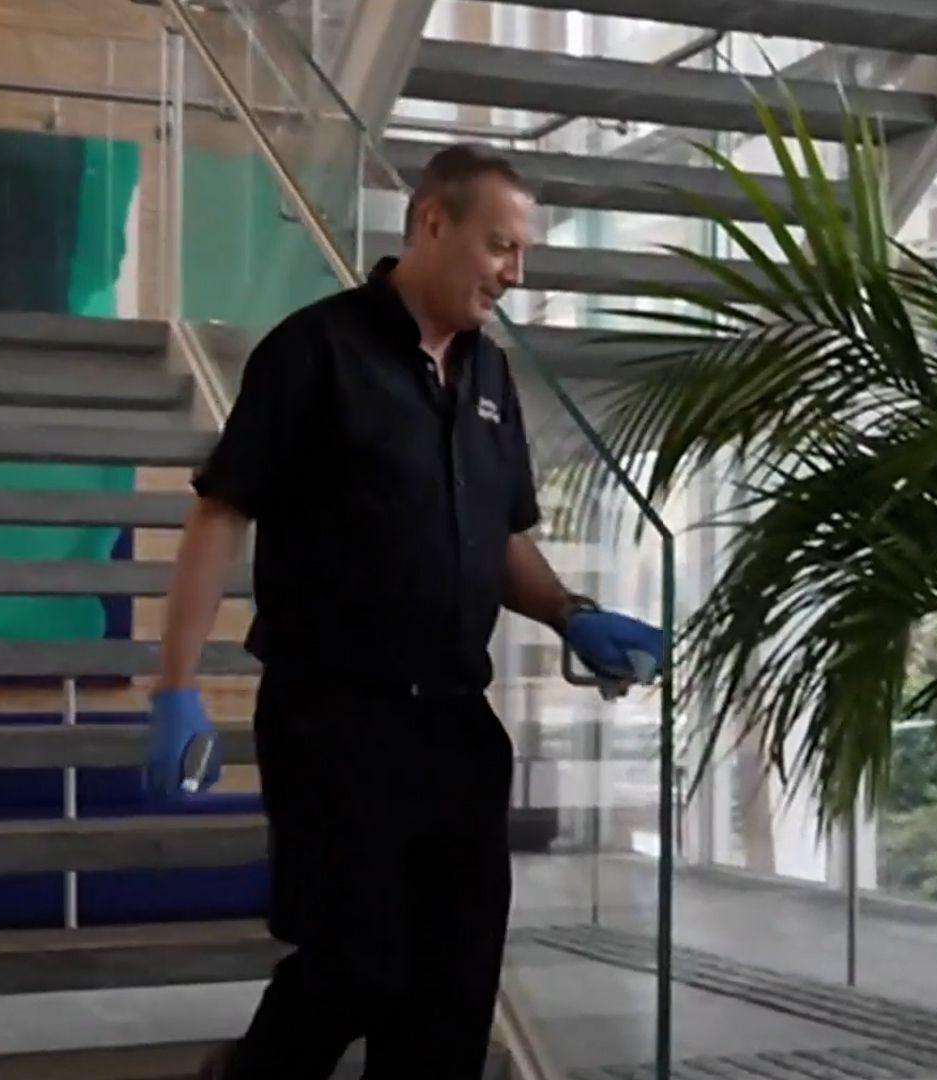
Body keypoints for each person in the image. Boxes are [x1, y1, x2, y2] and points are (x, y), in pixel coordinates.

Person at [146, 146, 665, 1079]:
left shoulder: (492, 377)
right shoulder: (315, 351)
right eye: (501, 247)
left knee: (451, 996)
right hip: (335, 719)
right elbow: (222, 512)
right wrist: (177, 688)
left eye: (524, 254)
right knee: (354, 967)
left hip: (457, 727)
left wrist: (568, 612)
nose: (516, 273)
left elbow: (500, 536)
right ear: (432, 222)